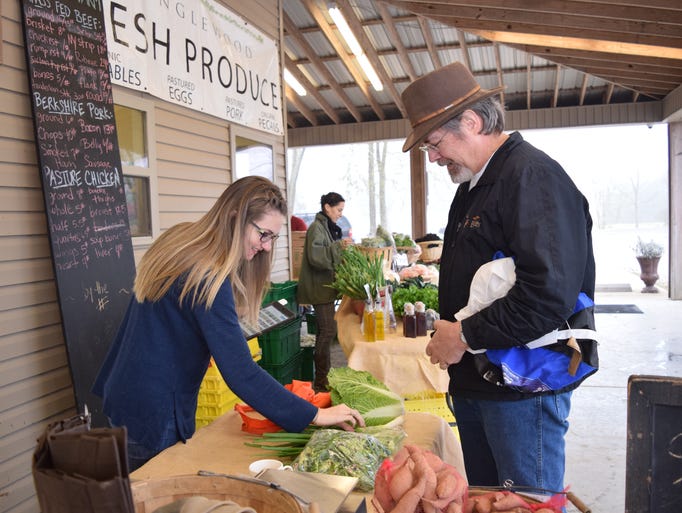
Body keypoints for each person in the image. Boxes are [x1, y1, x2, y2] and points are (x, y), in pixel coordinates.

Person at [401, 62, 598, 492]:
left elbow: (547, 295)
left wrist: (465, 335)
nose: (433, 158)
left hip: (522, 393)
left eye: (433, 143)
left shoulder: (532, 177)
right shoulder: (472, 187)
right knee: (487, 501)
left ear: (470, 122)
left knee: (523, 502)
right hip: (480, 385)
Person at [93, 177, 364, 471]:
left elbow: (173, 322)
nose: (265, 246)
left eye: (271, 238)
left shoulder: (183, 240)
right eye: (263, 234)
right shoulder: (207, 273)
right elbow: (242, 374)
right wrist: (315, 415)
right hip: (152, 410)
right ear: (236, 218)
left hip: (126, 391)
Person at [297, 192, 351, 392]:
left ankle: (323, 378)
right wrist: (338, 246)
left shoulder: (323, 227)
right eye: (339, 210)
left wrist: (339, 247)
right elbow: (316, 257)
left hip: (323, 286)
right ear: (327, 207)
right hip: (318, 288)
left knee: (324, 331)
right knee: (327, 331)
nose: (340, 214)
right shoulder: (316, 228)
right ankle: (321, 382)